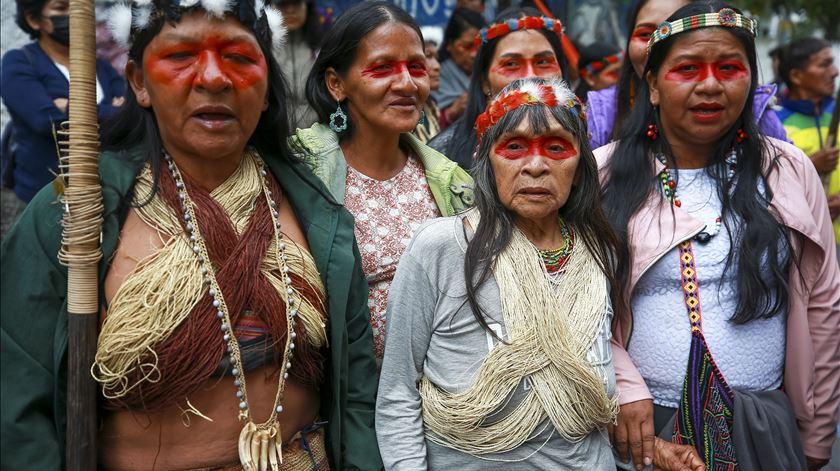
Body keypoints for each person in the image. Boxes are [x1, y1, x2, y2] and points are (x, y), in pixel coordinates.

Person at [0, 0, 383, 469]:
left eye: (240, 59)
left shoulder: (317, 213)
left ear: (266, 88)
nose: (213, 78)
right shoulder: (75, 212)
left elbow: (358, 393)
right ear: (140, 82)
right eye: (181, 57)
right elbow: (18, 402)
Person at [377, 78, 704, 471]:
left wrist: (653, 454)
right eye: (514, 147)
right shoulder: (441, 248)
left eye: (555, 148)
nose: (535, 165)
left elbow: (586, 403)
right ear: (486, 161)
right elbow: (397, 393)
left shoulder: (599, 253)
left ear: (580, 167)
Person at [598, 3, 840, 470]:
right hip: (644, 430)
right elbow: (575, 305)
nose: (710, 85)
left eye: (729, 68)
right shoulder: (603, 174)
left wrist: (816, 433)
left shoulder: (788, 170)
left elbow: (824, 306)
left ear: (751, 80)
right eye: (687, 69)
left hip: (766, 424)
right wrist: (623, 390)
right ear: (651, 84)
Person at [292, 1, 473, 363]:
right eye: (383, 68)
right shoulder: (304, 172)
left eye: (416, 67)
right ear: (336, 84)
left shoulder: (450, 180)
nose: (406, 83)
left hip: (439, 400)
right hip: (342, 398)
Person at [584, 0, 787, 150]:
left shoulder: (760, 119)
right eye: (646, 34)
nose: (658, 47)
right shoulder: (599, 115)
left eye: (678, 32)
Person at [0, 0, 124, 217]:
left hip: (103, 199)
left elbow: (132, 117)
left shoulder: (101, 67)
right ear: (34, 20)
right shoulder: (19, 63)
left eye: (77, 7)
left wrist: (67, 106)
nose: (73, 15)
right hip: (43, 203)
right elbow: (46, 122)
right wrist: (109, 111)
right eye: (60, 8)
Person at [429, 7, 568, 169]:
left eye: (543, 62)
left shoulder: (591, 143)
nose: (530, 77)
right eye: (511, 64)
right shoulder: (440, 158)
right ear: (484, 82)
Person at [775, 37, 840, 251]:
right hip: (804, 249)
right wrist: (810, 165)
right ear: (796, 76)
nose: (834, 72)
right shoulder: (774, 123)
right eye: (824, 65)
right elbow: (765, 185)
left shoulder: (836, 112)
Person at [434, 8, 487, 129]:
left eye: (479, 47)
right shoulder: (434, 76)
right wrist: (451, 113)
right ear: (449, 45)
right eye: (467, 47)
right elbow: (420, 122)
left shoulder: (490, 76)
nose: (474, 54)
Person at [274, 0, 323, 130]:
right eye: (282, 4)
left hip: (318, 138)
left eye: (296, 3)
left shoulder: (323, 47)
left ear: (307, 6)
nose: (290, 10)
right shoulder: (260, 49)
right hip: (273, 139)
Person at [416, 26, 444, 143]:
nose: (437, 66)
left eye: (436, 58)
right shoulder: (402, 107)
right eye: (428, 56)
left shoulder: (431, 106)